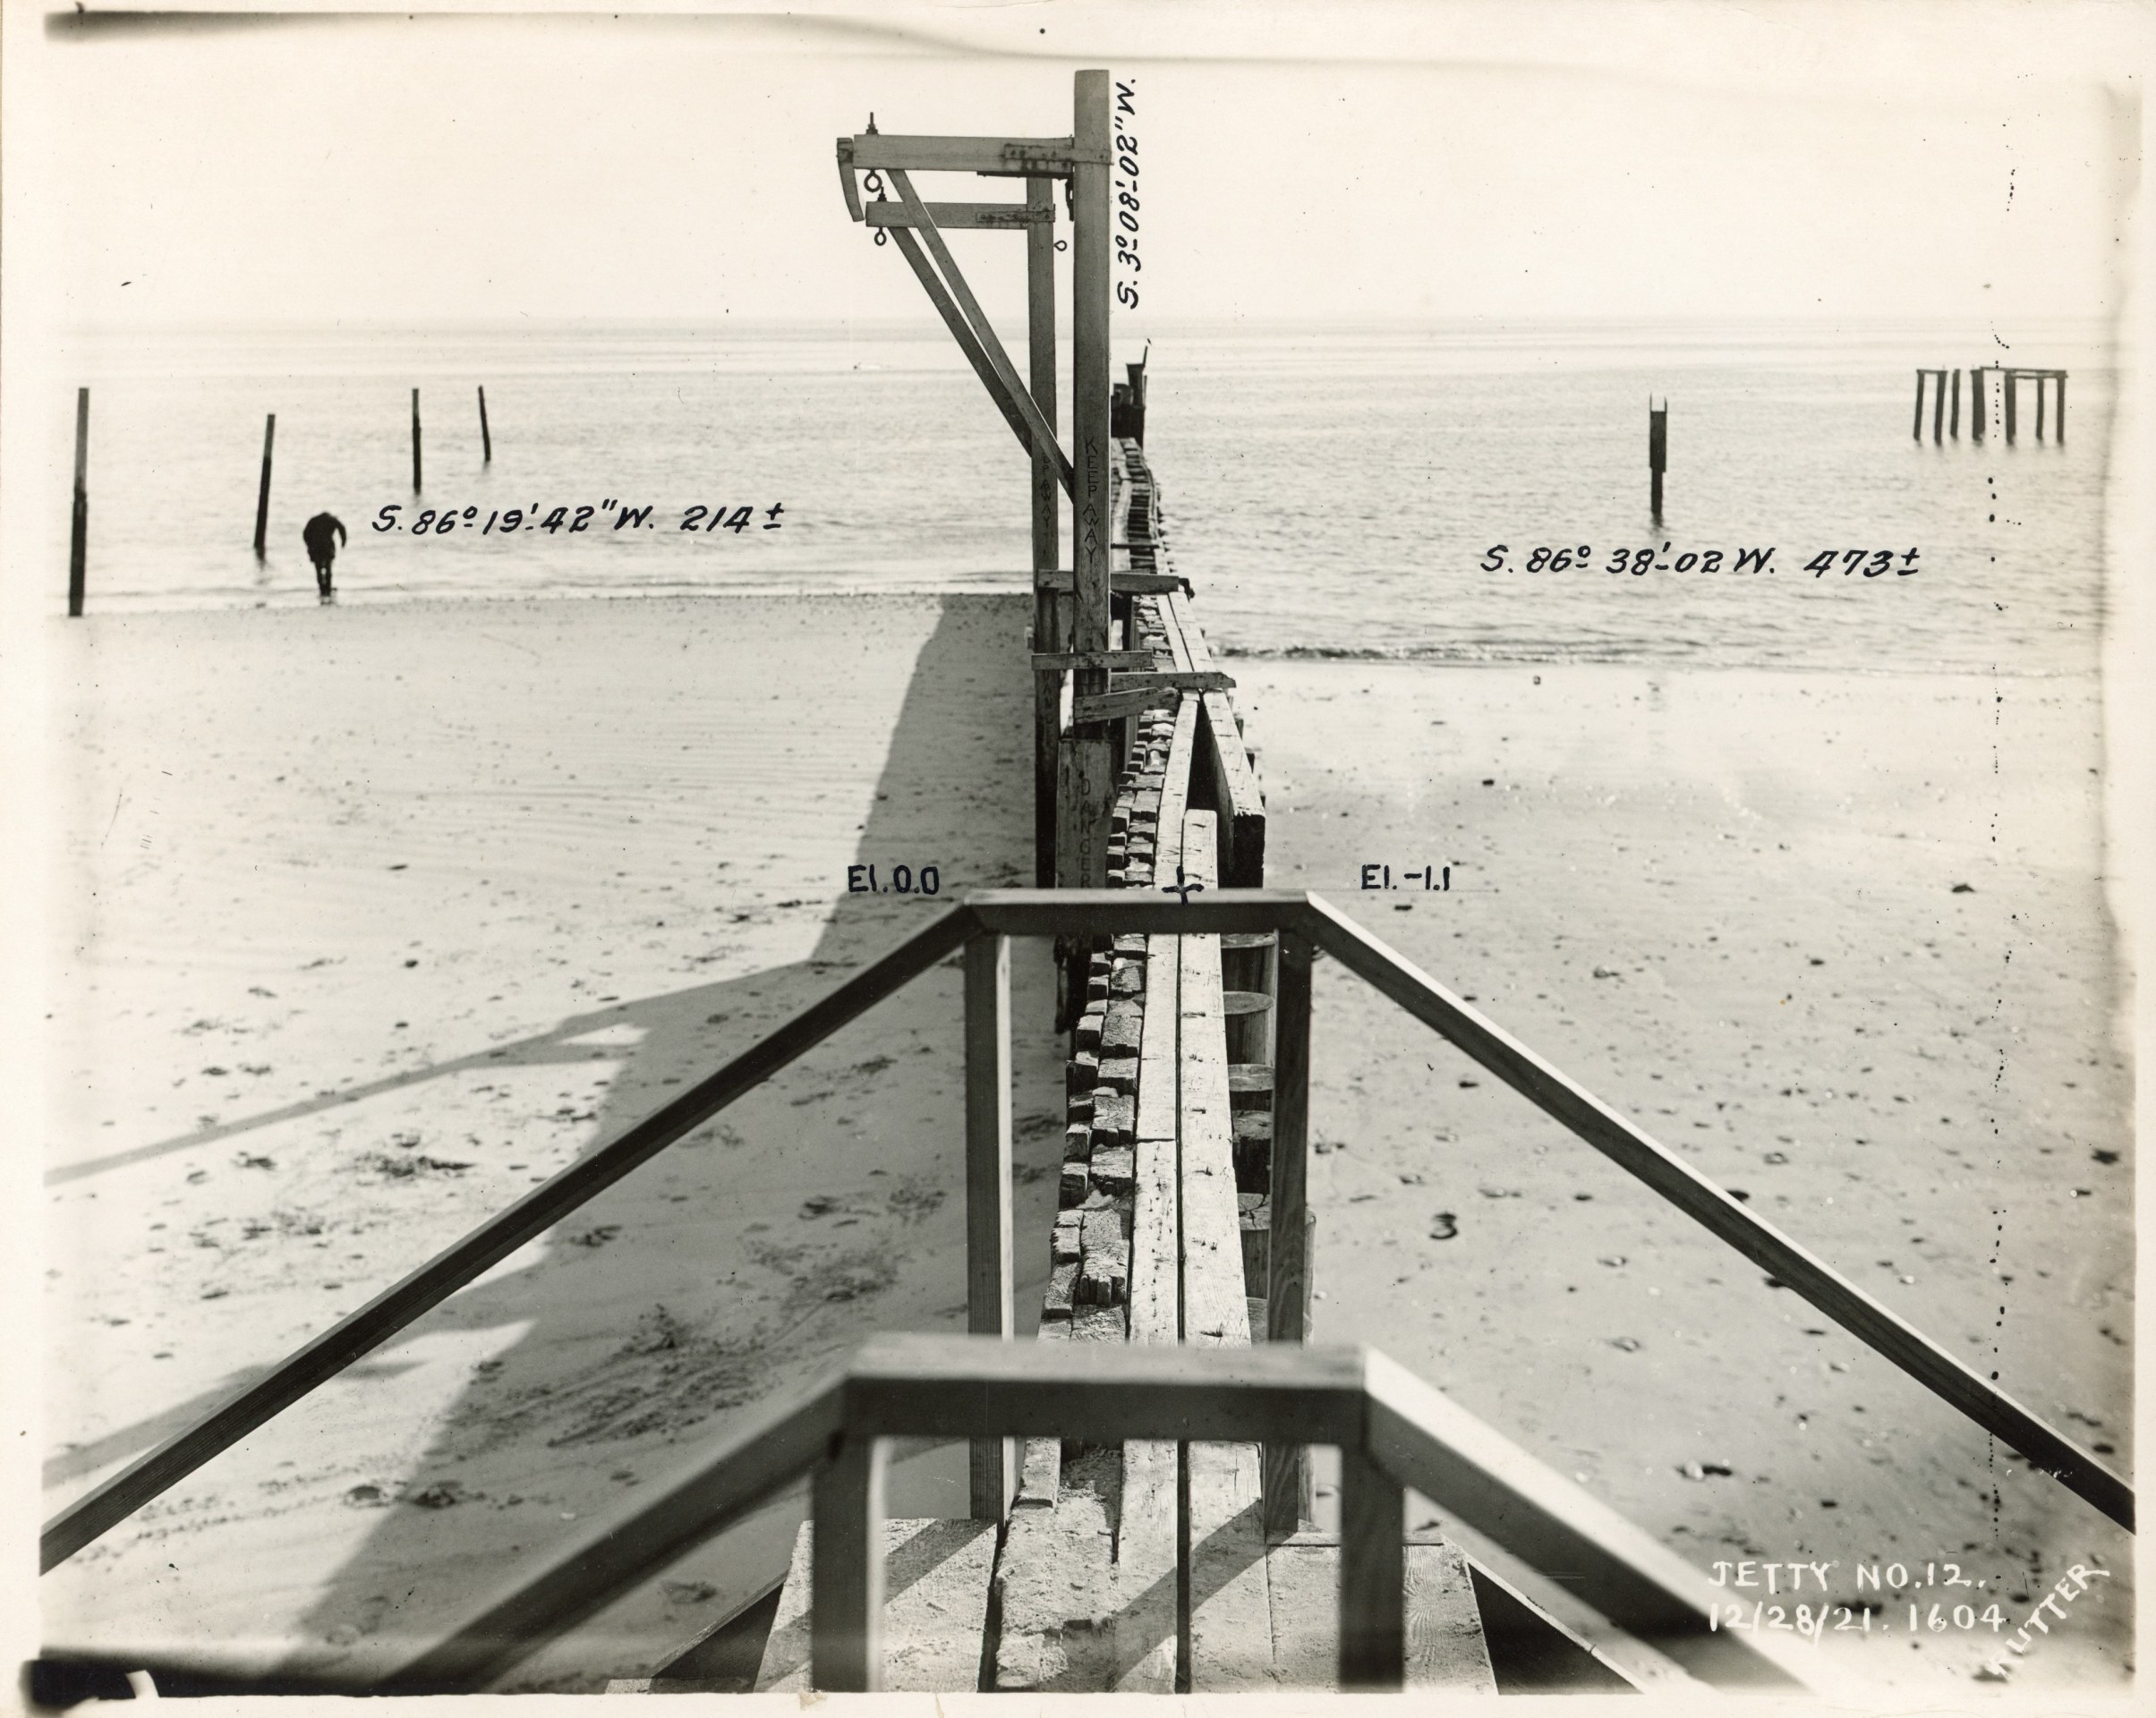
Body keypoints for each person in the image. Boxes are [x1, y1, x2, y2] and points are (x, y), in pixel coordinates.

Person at [303, 512, 347, 600]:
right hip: (327, 547)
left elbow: (305, 533)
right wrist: (343, 542)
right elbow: (342, 528)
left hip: (315, 547)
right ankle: (328, 588)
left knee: (318, 569)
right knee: (328, 568)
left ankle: (322, 589)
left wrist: (309, 544)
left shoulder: (314, 520)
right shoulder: (331, 519)